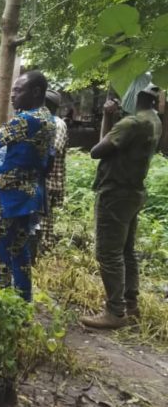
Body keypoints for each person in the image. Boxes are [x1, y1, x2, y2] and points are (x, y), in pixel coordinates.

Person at [79, 84, 162, 329]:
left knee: (108, 253)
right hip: (134, 191)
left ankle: (115, 312)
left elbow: (97, 151)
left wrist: (109, 118)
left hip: (115, 193)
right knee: (126, 250)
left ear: (133, 96)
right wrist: (108, 117)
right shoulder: (155, 120)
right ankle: (130, 303)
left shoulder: (132, 124)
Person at [0, 71, 55, 302]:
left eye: (18, 90)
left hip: (6, 196)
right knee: (20, 251)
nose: (12, 95)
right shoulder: (48, 119)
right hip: (30, 197)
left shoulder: (25, 119)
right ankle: (22, 302)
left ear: (36, 92)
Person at [39, 90, 67, 248]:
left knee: (45, 220)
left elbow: (53, 150)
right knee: (41, 218)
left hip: (49, 179)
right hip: (44, 178)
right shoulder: (44, 122)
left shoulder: (58, 124)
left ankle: (44, 248)